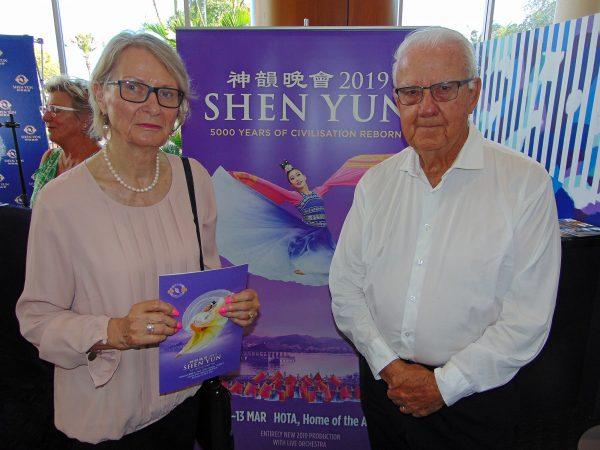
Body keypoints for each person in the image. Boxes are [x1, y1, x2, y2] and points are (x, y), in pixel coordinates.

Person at [16, 31, 260, 447]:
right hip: (105, 415)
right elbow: (36, 320)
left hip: (183, 402)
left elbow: (207, 279)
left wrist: (234, 309)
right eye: (133, 88)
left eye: (167, 93)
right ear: (100, 95)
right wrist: (114, 330)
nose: (152, 105)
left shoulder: (192, 178)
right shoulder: (61, 201)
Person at [329, 26, 561, 449]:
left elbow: (526, 319)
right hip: (386, 388)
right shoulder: (376, 184)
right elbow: (345, 288)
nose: (427, 107)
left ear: (473, 93)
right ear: (396, 100)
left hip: (475, 401)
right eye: (412, 92)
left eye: (444, 88)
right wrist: (390, 367)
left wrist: (443, 385)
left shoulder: (525, 184)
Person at [211, 154, 390, 286]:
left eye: (297, 175)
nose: (295, 179)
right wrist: (250, 178)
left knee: (335, 266)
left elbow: (338, 178)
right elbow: (270, 187)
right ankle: (300, 266)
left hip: (323, 235)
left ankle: (304, 267)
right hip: (309, 236)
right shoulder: (295, 197)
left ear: (304, 176)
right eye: (292, 178)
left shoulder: (320, 190)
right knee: (323, 264)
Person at [31, 76, 101, 206]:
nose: (45, 117)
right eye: (46, 109)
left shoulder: (105, 165)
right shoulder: (49, 158)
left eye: (55, 110)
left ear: (87, 118)